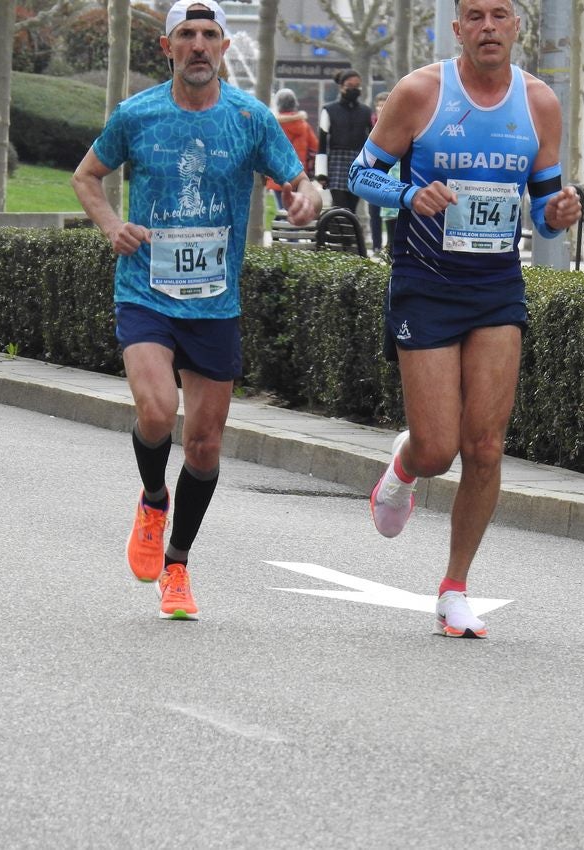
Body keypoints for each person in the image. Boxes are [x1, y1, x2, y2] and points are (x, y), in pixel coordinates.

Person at [71, 0, 321, 621]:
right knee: (157, 413)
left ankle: (177, 566)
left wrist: (308, 197)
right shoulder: (137, 114)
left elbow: (298, 182)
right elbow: (86, 176)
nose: (200, 45)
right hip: (146, 292)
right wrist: (111, 226)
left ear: (225, 47)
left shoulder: (249, 118)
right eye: (188, 35)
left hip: (215, 303)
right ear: (168, 48)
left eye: (211, 35)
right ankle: (153, 499)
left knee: (205, 444)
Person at [347, 0, 581, 639]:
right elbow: (360, 173)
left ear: (516, 26)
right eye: (473, 15)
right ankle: (404, 466)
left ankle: (455, 588)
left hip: (496, 288)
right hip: (425, 285)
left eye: (499, 15)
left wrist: (557, 213)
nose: (487, 27)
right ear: (457, 29)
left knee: (484, 446)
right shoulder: (421, 92)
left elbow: (542, 203)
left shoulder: (540, 104)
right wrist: (406, 194)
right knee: (437, 447)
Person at [316, 68, 373, 213]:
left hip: (358, 162)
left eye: (357, 86)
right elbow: (322, 143)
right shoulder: (329, 110)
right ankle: (338, 235)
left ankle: (349, 235)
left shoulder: (366, 112)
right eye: (349, 85)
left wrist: (373, 168)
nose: (354, 89)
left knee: (352, 209)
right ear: (341, 87)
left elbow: (373, 141)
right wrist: (321, 173)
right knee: (339, 208)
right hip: (336, 163)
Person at [264, 87, 318, 210]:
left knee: (282, 208)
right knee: (295, 207)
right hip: (297, 174)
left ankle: (284, 225)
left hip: (277, 173)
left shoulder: (273, 124)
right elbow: (315, 147)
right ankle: (292, 228)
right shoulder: (304, 125)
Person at [367, 90, 391, 253]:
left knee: (391, 213)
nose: (381, 108)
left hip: (391, 173)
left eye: (384, 105)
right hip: (372, 172)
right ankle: (376, 245)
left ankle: (389, 245)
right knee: (373, 211)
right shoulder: (370, 124)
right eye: (378, 105)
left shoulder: (394, 124)